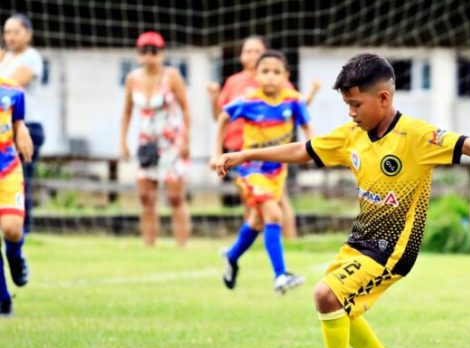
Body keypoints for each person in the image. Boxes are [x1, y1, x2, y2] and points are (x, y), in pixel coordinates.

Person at [216, 53, 470, 348]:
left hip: (394, 249)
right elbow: (301, 150)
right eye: (347, 105)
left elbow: (465, 143)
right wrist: (243, 155)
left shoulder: (414, 135)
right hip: (360, 242)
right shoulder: (352, 135)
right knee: (340, 310)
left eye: (356, 104)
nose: (351, 113)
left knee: (326, 296)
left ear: (383, 98)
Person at [213, 50, 312, 294]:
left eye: (276, 72)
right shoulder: (249, 100)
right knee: (274, 213)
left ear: (286, 75)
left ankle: (233, 257)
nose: (270, 77)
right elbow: (223, 118)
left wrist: (313, 149)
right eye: (265, 72)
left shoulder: (293, 101)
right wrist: (217, 153)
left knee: (258, 220)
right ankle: (280, 276)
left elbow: (308, 127)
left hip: (277, 172)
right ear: (256, 75)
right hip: (250, 169)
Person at [207, 36, 320, 240]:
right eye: (247, 51)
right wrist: (214, 98)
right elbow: (220, 116)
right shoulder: (237, 85)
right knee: (253, 203)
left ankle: (289, 240)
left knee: (279, 202)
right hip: (241, 153)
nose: (252, 55)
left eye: (256, 51)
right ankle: (254, 245)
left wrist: (312, 93)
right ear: (242, 56)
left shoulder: (280, 84)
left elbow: (299, 107)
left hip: (275, 154)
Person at [120, 31, 191, 247]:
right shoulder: (132, 79)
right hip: (146, 142)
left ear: (161, 53)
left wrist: (187, 140)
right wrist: (122, 141)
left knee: (175, 197)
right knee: (146, 196)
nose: (149, 55)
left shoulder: (172, 76)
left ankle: (182, 246)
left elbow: (185, 108)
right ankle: (149, 245)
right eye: (144, 50)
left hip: (171, 140)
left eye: (154, 50)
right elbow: (127, 112)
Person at [0, 14, 44, 234]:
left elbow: (12, 86)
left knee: (20, 178)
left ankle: (22, 231)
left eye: (16, 32)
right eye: (7, 32)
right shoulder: (4, 58)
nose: (10, 37)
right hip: (3, 129)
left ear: (28, 34)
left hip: (25, 127)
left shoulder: (31, 57)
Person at [0, 77, 34, 317]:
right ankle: (3, 301)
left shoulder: (12, 90)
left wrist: (21, 129)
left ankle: (15, 255)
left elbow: (17, 121)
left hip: (7, 168)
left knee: (12, 229)